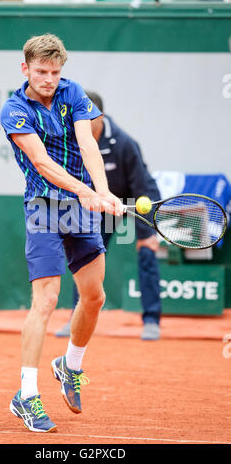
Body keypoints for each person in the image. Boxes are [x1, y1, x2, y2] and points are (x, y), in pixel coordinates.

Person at [0, 34, 123, 433]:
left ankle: (69, 365)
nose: (49, 79)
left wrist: (102, 191)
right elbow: (43, 163)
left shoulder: (74, 94)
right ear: (26, 69)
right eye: (41, 72)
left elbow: (88, 144)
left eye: (55, 72)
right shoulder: (14, 109)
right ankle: (27, 394)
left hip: (80, 209)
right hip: (43, 210)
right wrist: (89, 192)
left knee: (94, 296)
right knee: (47, 299)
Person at [56, 91, 162, 341]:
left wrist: (147, 234)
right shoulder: (73, 142)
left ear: (99, 116)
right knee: (84, 256)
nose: (79, 124)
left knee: (147, 252)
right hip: (102, 205)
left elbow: (142, 186)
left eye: (84, 118)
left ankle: (151, 320)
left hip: (136, 202)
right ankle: (76, 316)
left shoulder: (124, 143)